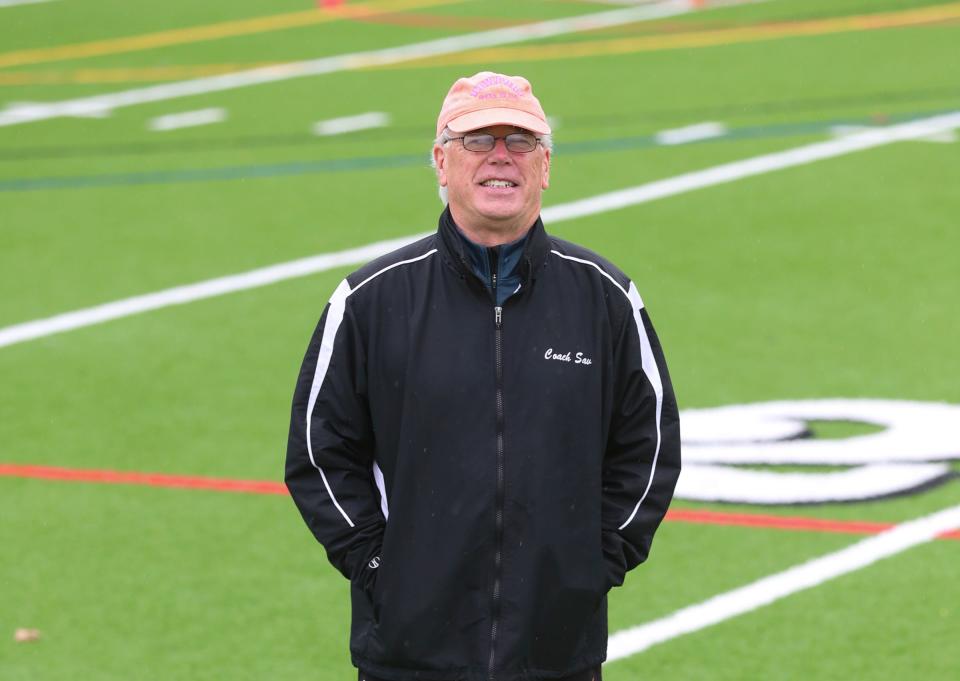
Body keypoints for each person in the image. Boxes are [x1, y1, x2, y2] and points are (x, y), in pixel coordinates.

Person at [286, 71, 681, 681]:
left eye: (520, 141)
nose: (502, 156)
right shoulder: (371, 298)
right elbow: (318, 451)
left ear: (545, 167)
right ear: (442, 164)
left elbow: (648, 447)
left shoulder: (604, 296)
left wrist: (591, 565)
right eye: (478, 140)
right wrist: (377, 568)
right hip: (408, 656)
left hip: (556, 655)